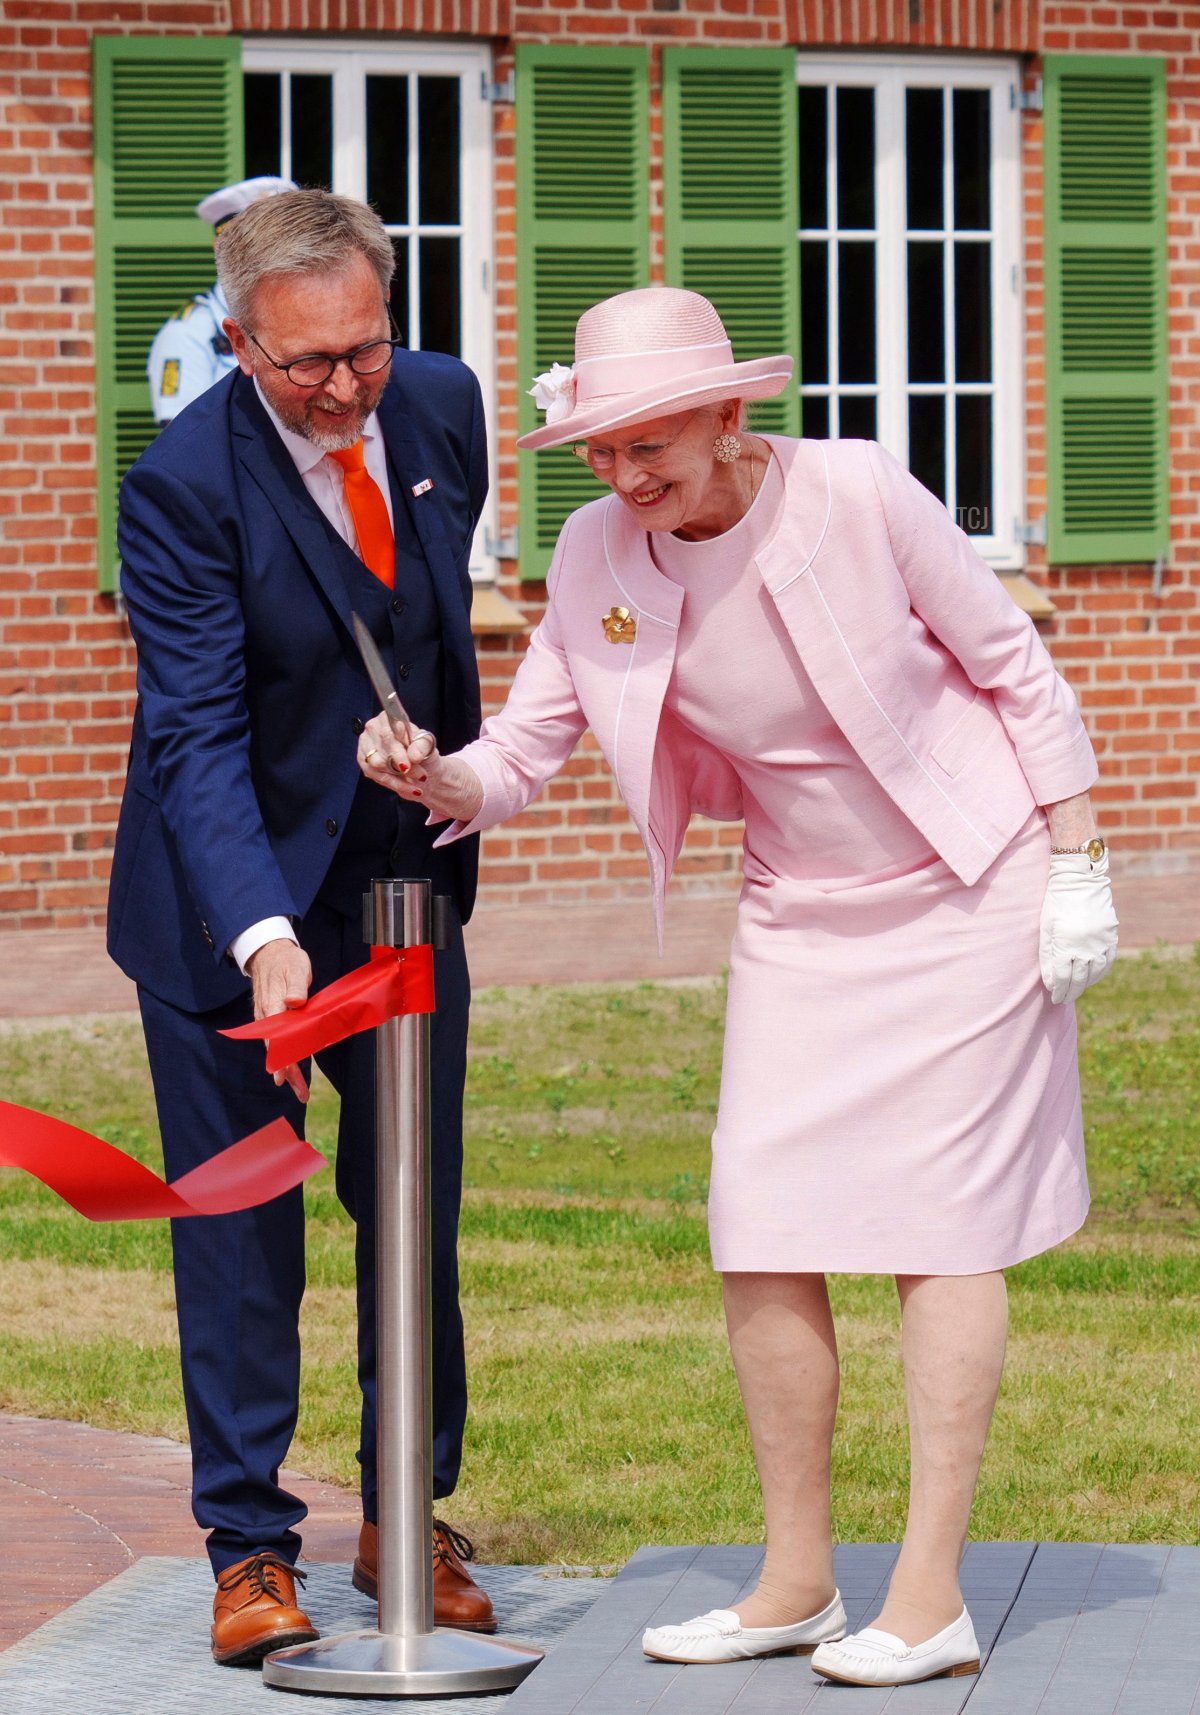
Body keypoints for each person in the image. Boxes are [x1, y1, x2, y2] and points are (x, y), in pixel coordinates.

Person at [356, 287, 1119, 1690]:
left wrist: (1078, 858)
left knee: (939, 1231)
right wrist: (435, 772)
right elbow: (522, 750)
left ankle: (933, 1593)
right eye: (602, 450)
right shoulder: (599, 553)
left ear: (727, 413)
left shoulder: (855, 492)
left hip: (969, 880)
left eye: (654, 444)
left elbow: (1013, 663)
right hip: (802, 910)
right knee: (759, 1218)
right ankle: (794, 1578)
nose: (629, 476)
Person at [109, 189, 496, 1666]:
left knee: (413, 1204)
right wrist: (262, 937)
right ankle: (250, 1543)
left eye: (364, 353)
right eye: (303, 367)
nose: (343, 390)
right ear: (233, 341)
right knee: (239, 1229)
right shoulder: (182, 486)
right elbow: (193, 735)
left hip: (399, 892)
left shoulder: (442, 405)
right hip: (230, 908)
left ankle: (409, 1507)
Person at [147, 175, 297, 425]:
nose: (277, 256)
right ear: (222, 249)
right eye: (261, 245)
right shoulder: (187, 334)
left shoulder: (297, 318)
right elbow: (188, 445)